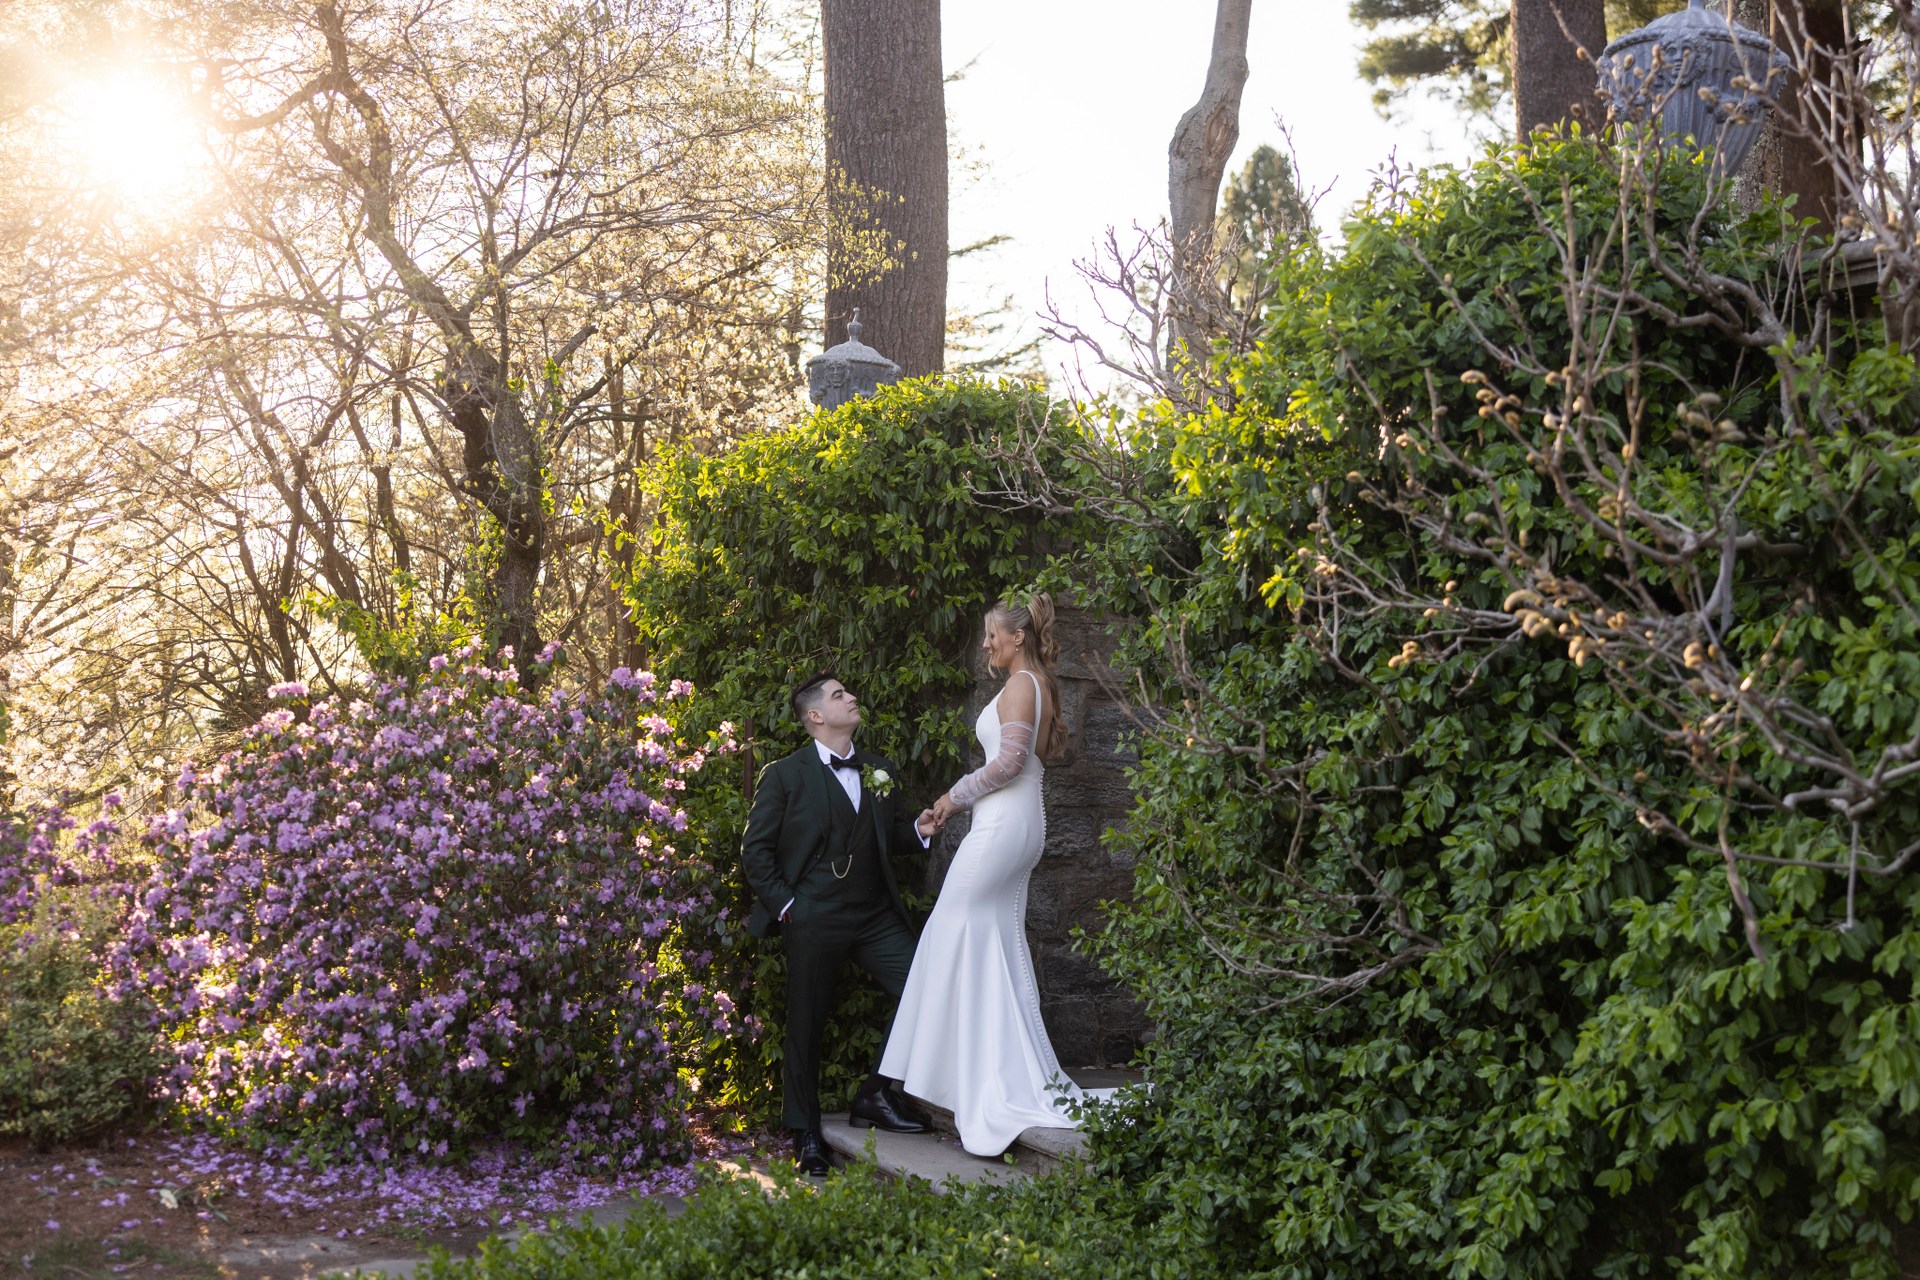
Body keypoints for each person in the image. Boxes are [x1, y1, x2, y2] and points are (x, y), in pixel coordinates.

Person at [879, 593, 1102, 1157]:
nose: (986, 644)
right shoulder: (1031, 683)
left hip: (1004, 824)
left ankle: (983, 1078)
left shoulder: (1024, 684)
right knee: (991, 939)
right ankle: (989, 1070)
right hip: (1010, 821)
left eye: (992, 635)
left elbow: (1009, 763)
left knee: (955, 926)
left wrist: (952, 797)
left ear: (1017, 637)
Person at [740, 672, 938, 1177]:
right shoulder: (784, 775)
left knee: (924, 985)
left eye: (848, 691)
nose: (851, 697)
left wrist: (917, 830)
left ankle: (875, 1093)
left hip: (873, 914)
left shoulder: (878, 769)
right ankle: (805, 1132)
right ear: (815, 716)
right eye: (838, 695)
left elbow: (883, 836)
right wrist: (788, 905)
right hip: (812, 913)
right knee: (806, 1021)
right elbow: (756, 851)